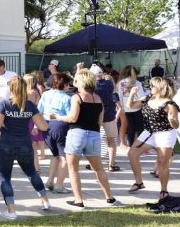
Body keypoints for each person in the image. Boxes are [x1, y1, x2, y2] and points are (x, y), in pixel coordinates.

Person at [0, 77, 51, 220]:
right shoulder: (30, 105)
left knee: (5, 179)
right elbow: (44, 126)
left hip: (6, 146)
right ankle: (45, 201)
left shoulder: (5, 105)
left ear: (10, 89)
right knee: (32, 173)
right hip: (24, 144)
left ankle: (11, 211)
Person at [51, 69, 115, 208]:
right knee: (99, 169)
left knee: (73, 168)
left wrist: (57, 117)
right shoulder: (98, 99)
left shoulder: (77, 97)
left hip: (77, 133)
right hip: (94, 134)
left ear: (81, 82)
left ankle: (78, 200)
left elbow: (72, 118)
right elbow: (100, 121)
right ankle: (109, 196)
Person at [127, 77, 180, 200]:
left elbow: (176, 124)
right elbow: (130, 106)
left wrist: (172, 120)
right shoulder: (147, 98)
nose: (150, 88)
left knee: (162, 163)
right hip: (149, 132)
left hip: (165, 134)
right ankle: (139, 182)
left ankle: (164, 190)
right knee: (132, 154)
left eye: (152, 86)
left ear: (160, 88)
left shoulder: (170, 104)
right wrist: (131, 94)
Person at [37, 72, 72, 194]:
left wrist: (37, 125)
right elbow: (70, 116)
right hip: (60, 125)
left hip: (46, 125)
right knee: (65, 157)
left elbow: (39, 111)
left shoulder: (46, 94)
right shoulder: (67, 98)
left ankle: (50, 181)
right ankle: (59, 184)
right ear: (65, 85)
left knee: (55, 155)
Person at [91, 65, 120, 172]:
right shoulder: (109, 83)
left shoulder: (92, 86)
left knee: (94, 140)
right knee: (111, 141)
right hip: (109, 115)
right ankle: (111, 164)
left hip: (95, 116)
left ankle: (93, 163)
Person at [117, 65, 146, 148]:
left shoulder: (120, 83)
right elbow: (142, 97)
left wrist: (121, 107)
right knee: (140, 127)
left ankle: (131, 145)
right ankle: (139, 145)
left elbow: (119, 96)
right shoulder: (137, 83)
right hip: (137, 108)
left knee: (130, 128)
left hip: (126, 109)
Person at [24, 73, 46, 169]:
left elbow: (29, 108)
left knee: (32, 145)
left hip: (31, 120)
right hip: (34, 119)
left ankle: (36, 167)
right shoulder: (35, 91)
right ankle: (35, 167)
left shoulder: (31, 93)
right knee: (32, 144)